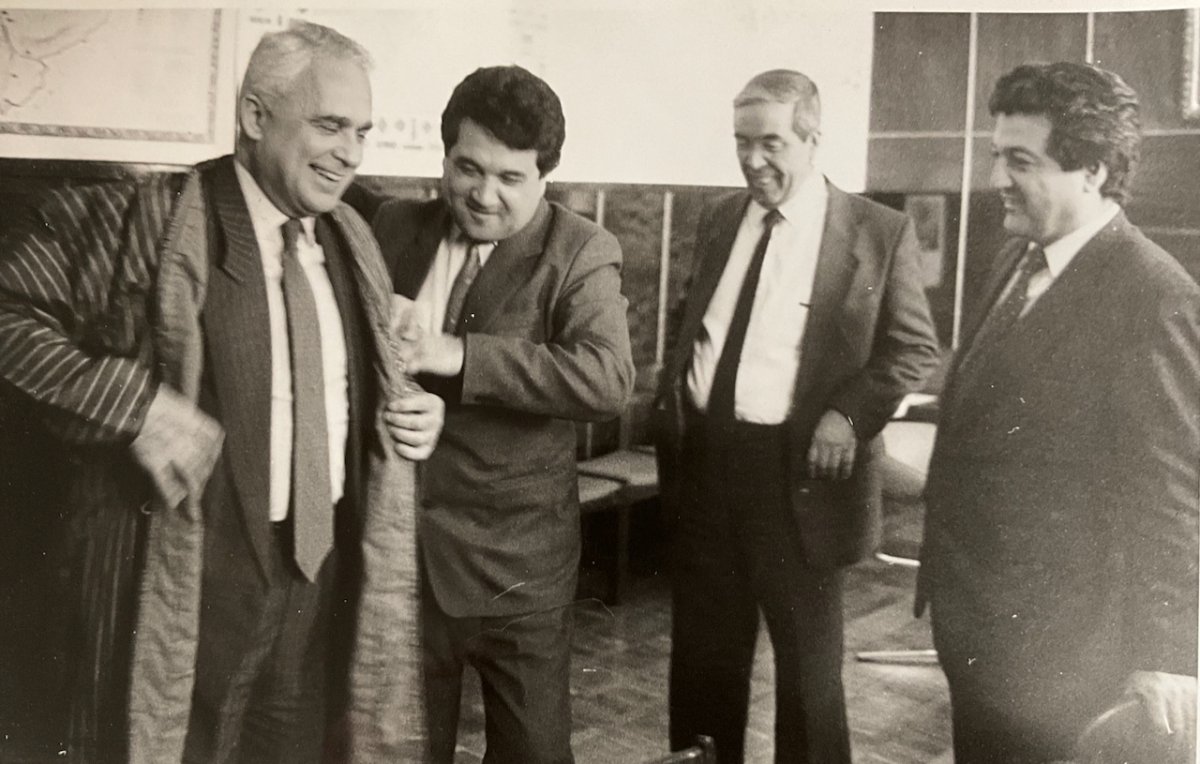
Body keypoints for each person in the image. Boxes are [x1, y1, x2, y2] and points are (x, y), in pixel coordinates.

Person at [0, 21, 443, 764]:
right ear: (254, 116)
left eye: (361, 132)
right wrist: (133, 408)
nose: (350, 153)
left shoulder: (351, 238)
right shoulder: (146, 218)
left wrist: (413, 412)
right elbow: (9, 317)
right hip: (188, 580)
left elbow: (353, 394)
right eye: (330, 125)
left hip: (317, 580)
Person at [653, 69, 939, 764]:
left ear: (812, 139)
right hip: (706, 470)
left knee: (809, 682)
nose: (752, 160)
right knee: (703, 668)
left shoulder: (876, 231)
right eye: (741, 142)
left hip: (799, 481)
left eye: (771, 143)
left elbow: (913, 350)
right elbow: (698, 323)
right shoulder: (720, 218)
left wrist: (849, 414)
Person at [917, 61, 1200, 764]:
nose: (996, 178)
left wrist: (1167, 654)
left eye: (1021, 161)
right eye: (996, 156)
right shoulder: (1015, 259)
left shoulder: (1153, 295)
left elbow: (1171, 491)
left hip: (1064, 650)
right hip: (980, 626)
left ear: (1093, 171)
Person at [359, 65, 634, 763]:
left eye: (511, 178)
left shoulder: (581, 250)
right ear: (444, 155)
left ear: (546, 176)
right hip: (406, 556)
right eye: (468, 169)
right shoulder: (394, 226)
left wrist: (458, 355)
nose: (484, 195)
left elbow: (607, 378)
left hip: (517, 572)